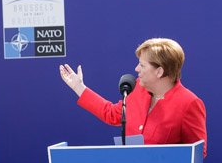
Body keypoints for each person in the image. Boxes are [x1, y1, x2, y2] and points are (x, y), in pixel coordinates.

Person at [58, 37, 206, 156]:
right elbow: (112, 114)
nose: (136, 69)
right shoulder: (136, 89)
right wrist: (79, 87)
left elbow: (197, 154)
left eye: (142, 65)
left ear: (159, 72)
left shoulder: (189, 103)